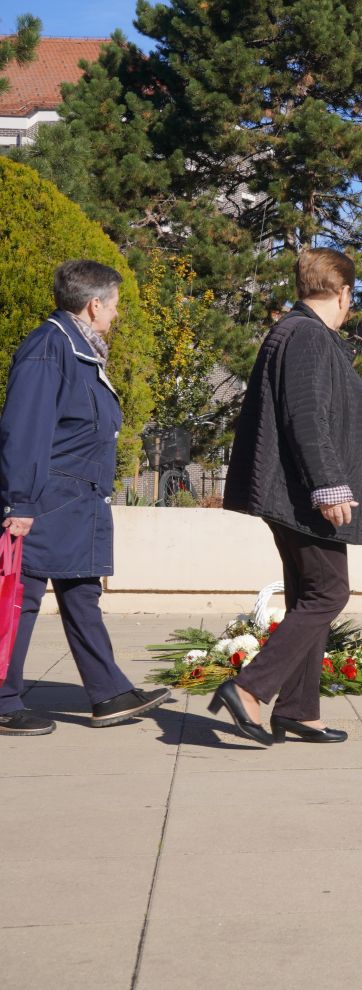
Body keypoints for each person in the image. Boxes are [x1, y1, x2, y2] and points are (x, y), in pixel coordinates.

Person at [215, 248, 362, 745]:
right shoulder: (307, 335)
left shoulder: (298, 331)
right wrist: (329, 486)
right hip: (303, 495)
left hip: (294, 492)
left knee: (310, 595)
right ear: (344, 292)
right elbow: (305, 417)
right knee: (330, 593)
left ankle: (299, 710)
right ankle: (249, 689)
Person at [0, 261, 172, 735]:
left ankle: (108, 693)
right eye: (113, 305)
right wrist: (21, 502)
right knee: (22, 597)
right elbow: (25, 428)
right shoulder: (49, 347)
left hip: (75, 499)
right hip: (47, 499)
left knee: (80, 592)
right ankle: (3, 698)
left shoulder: (77, 349)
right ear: (94, 305)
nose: (115, 315)